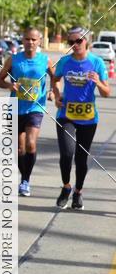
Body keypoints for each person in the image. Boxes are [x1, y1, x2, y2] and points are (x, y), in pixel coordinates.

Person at [52, 26, 109, 210]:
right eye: (71, 42)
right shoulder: (64, 61)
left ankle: (78, 192)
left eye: (79, 41)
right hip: (66, 115)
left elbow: (106, 92)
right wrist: (57, 95)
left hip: (88, 118)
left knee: (81, 159)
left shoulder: (96, 62)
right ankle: (66, 187)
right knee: (66, 154)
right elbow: (55, 79)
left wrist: (98, 82)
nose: (75, 45)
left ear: (87, 41)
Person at [0, 27, 55, 196]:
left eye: (34, 39)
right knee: (19, 149)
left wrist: (52, 91)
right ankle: (24, 177)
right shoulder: (13, 60)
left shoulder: (45, 60)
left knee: (30, 144)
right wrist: (9, 85)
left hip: (35, 108)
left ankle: (25, 181)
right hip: (14, 107)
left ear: (39, 42)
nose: (30, 42)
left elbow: (55, 77)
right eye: (27, 39)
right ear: (22, 41)